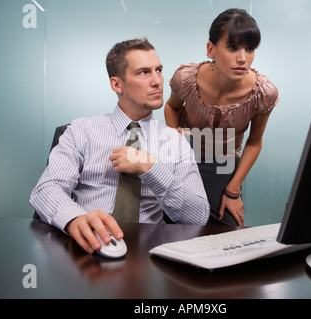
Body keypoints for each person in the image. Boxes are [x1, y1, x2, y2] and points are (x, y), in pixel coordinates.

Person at [30, 38, 210, 255]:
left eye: (159, 70)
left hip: (151, 254)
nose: (158, 81)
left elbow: (198, 216)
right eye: (143, 72)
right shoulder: (81, 130)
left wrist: (151, 168)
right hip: (89, 248)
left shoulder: (176, 142)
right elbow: (46, 189)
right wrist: (75, 218)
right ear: (117, 84)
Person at [164, 9, 279, 227]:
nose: (242, 58)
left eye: (250, 48)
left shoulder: (263, 93)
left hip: (225, 161)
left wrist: (233, 190)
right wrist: (173, 136)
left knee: (227, 228)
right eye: (233, 47)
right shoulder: (187, 79)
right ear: (211, 49)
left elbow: (254, 143)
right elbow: (171, 107)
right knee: (176, 225)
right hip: (186, 155)